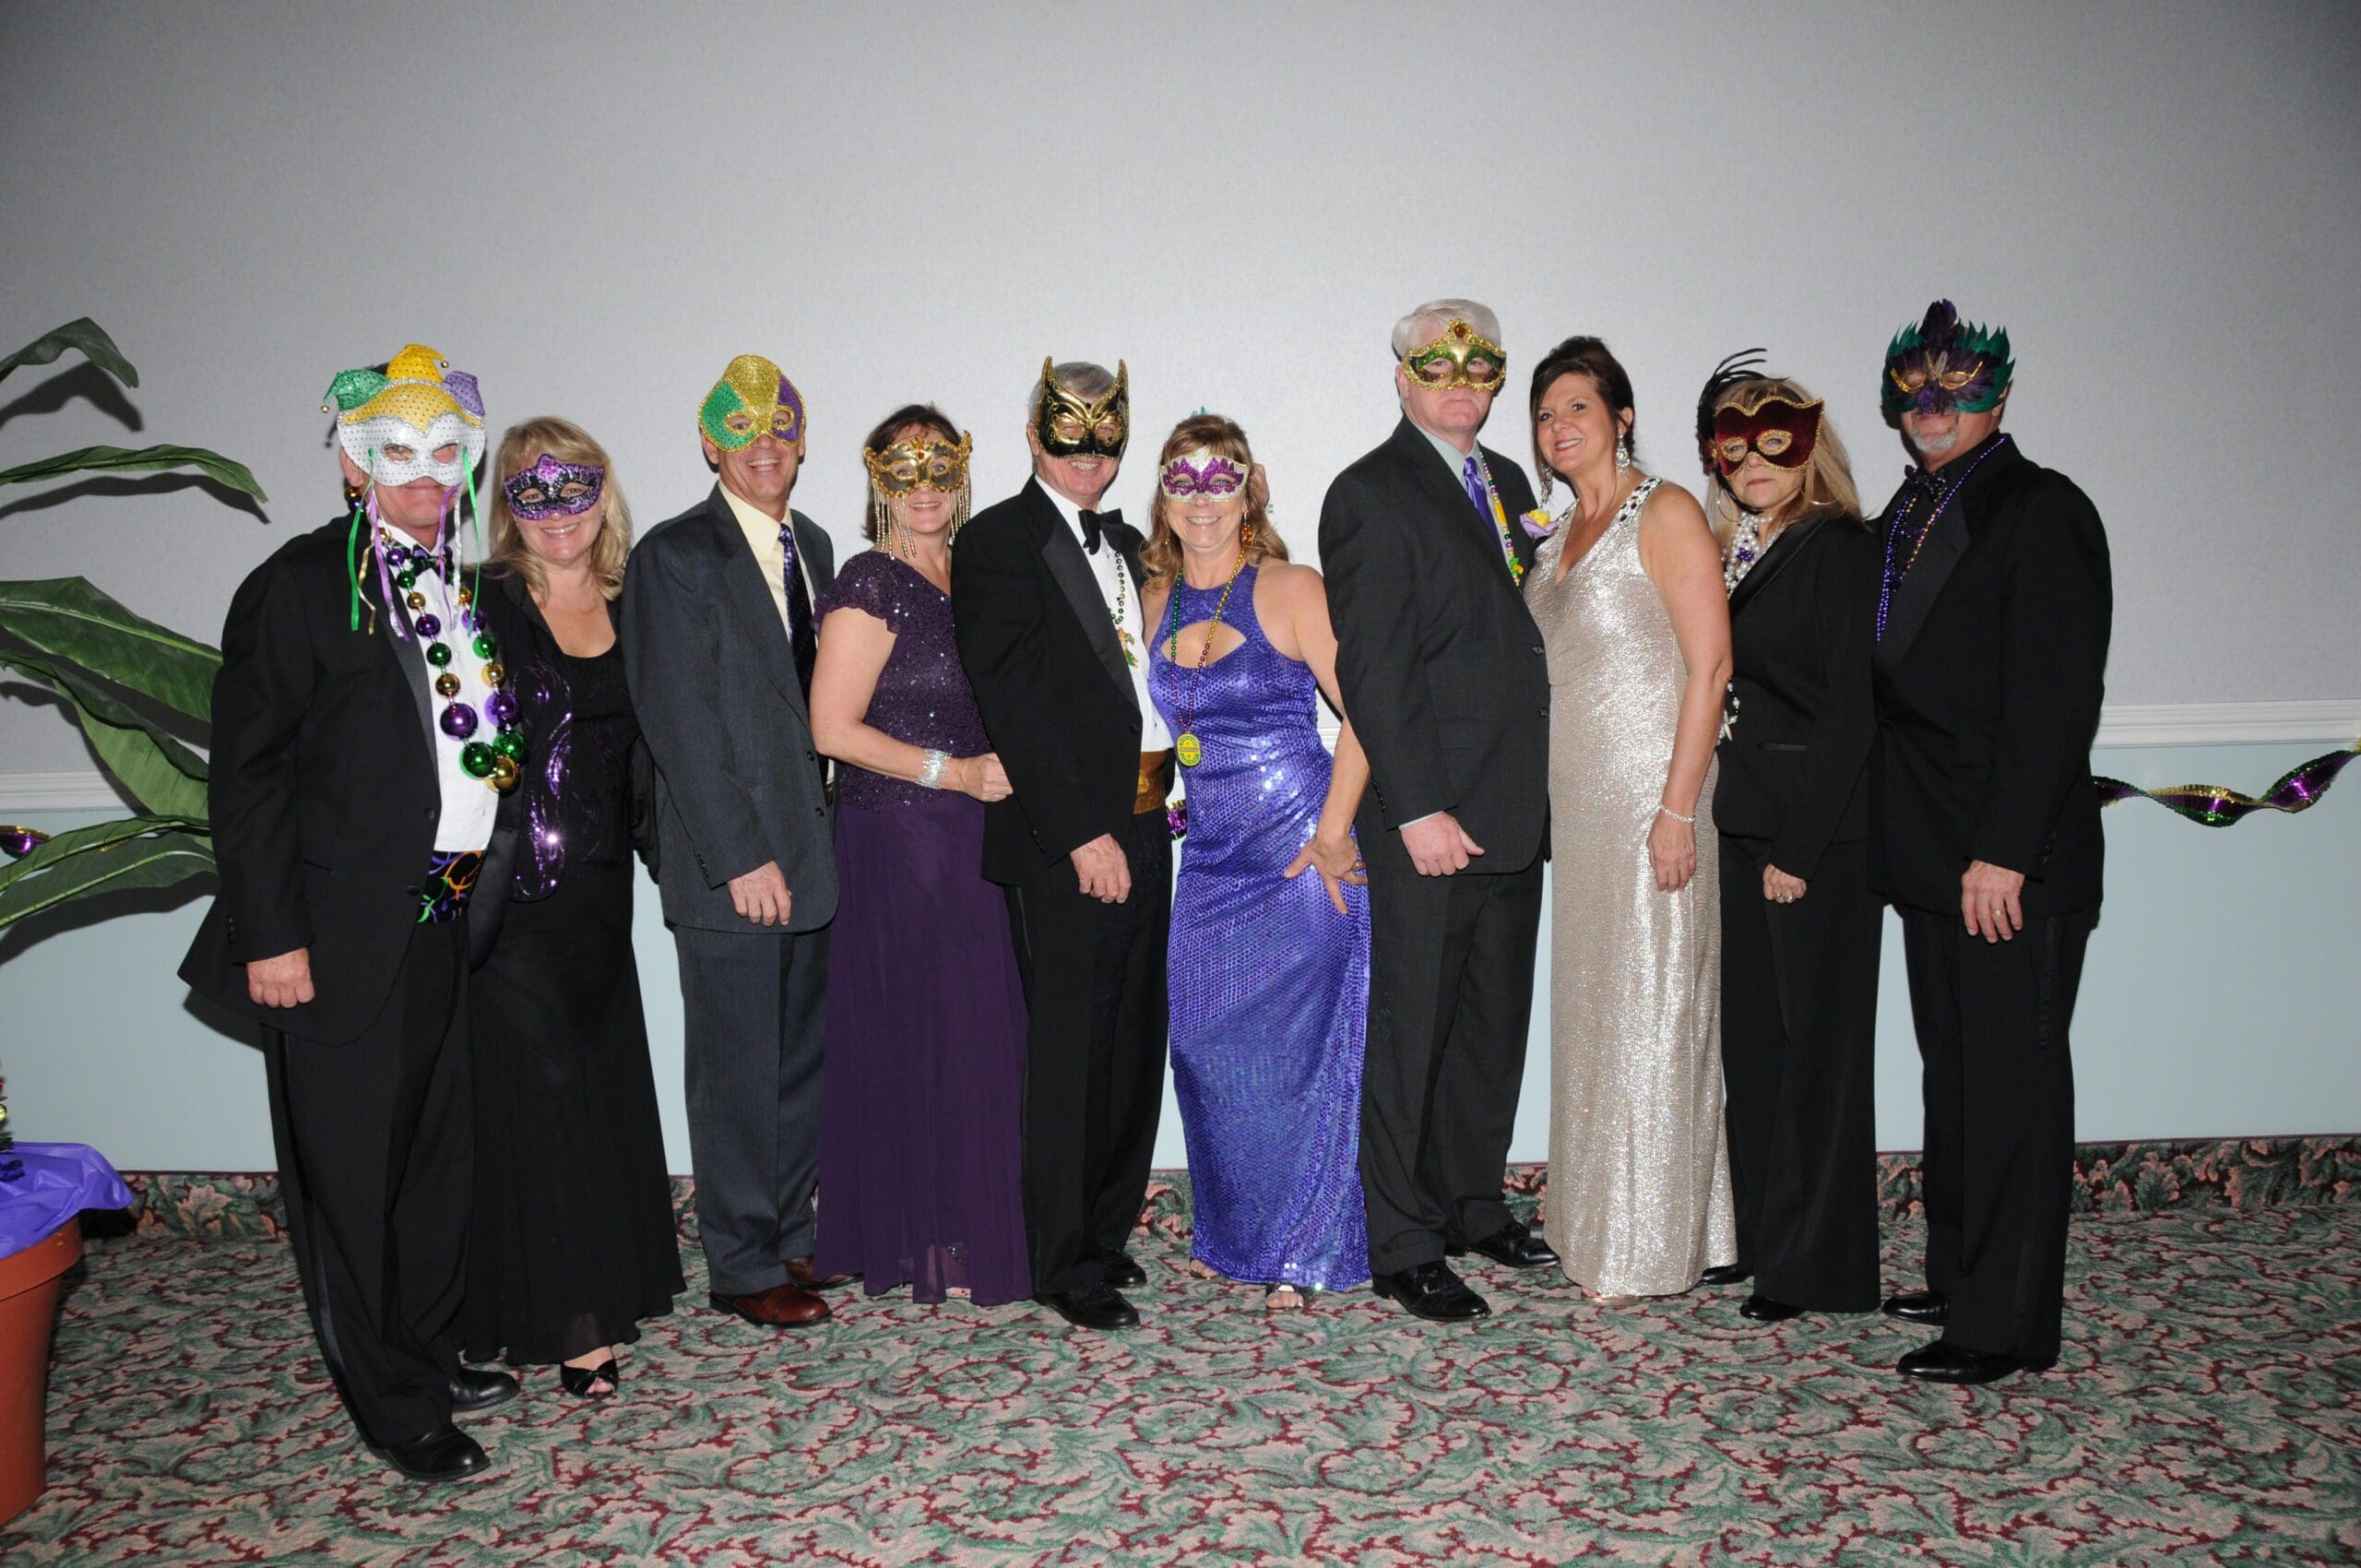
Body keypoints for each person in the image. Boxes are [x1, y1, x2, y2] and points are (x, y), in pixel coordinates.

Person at [181, 344, 525, 1481]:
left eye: (444, 454)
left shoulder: (463, 585)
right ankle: (392, 1403)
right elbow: (249, 775)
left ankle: (426, 1349)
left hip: (443, 918)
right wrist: (273, 933)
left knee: (432, 1159)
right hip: (332, 938)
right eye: (398, 454)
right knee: (351, 1180)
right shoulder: (296, 585)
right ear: (353, 463)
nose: (425, 475)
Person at [1869, 300, 2111, 1384]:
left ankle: (2002, 1325)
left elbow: (2054, 702)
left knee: (2011, 1084)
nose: (1932, 405)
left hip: (2009, 862)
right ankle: (1959, 1271)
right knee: (1956, 1075)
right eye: (1915, 387)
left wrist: (2004, 850)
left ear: (1997, 395)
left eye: (1956, 386)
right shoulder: (1907, 507)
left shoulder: (2042, 509)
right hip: (1928, 848)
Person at [1319, 301, 1555, 1323]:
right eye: (1437, 364)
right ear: (1402, 377)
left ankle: (1470, 1203)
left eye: (1480, 365)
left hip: (1513, 802)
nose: (1461, 382)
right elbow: (1374, 669)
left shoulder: (1507, 483)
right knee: (1411, 1033)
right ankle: (1402, 1239)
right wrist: (1414, 806)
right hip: (1428, 815)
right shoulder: (1368, 491)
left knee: (1490, 1025)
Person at [460, 419, 683, 1397]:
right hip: (506, 899)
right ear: (508, 506)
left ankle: (585, 1282)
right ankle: (574, 1321)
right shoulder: (482, 599)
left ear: (603, 492)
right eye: (531, 491)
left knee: (590, 1095)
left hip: (599, 893)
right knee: (542, 1094)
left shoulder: (632, 601)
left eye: (573, 488)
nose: (557, 511)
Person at [621, 354, 845, 1331]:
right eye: (741, 430)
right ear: (710, 444)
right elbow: (678, 719)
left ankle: (789, 1231)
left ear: (801, 442)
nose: (764, 446)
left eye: (781, 429)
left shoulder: (816, 546)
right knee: (737, 1073)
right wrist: (738, 854)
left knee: (797, 1064)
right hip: (734, 866)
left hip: (815, 854)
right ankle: (743, 1263)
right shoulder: (673, 555)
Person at [953, 358, 1171, 1332]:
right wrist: (1082, 833)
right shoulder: (996, 540)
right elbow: (1015, 698)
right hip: (1067, 835)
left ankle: (1104, 1230)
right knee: (1072, 1046)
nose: (1090, 455)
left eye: (1106, 438)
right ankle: (1060, 1259)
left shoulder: (1127, 542)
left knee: (1131, 1038)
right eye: (1070, 436)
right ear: (1035, 436)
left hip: (1147, 818)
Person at [1138, 414, 1372, 1311]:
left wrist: (1336, 831)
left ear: (1251, 490)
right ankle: (1235, 1237)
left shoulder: (1290, 587)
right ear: (1164, 497)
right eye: (1183, 480)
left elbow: (1368, 711)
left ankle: (1304, 1250)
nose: (1202, 499)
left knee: (1299, 1056)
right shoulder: (1154, 601)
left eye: (1220, 479)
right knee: (1203, 1048)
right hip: (1210, 859)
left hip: (1299, 849)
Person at [1524, 334, 1738, 1303]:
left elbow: (1711, 665)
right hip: (1579, 812)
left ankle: (1645, 1244)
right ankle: (1594, 1223)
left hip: (1655, 801)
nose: (1559, 425)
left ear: (1622, 416)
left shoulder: (1667, 510)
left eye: (1577, 405)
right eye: (1544, 413)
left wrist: (1677, 807)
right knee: (1595, 1016)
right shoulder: (1558, 535)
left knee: (1654, 1014)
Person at [807, 405, 1030, 1307]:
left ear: (963, 474)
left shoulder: (970, 571)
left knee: (974, 1034)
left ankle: (966, 1224)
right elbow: (830, 728)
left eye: (941, 467)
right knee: (926, 1031)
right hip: (900, 834)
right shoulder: (871, 580)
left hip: (972, 830)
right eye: (905, 470)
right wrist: (954, 772)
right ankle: (925, 1237)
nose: (925, 486)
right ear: (878, 481)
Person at [1694, 360, 1882, 1324]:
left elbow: (1852, 709)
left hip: (1816, 838)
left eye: (1775, 441)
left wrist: (1800, 850)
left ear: (1811, 445)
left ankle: (1823, 1267)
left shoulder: (1841, 545)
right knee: (1759, 1049)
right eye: (1734, 448)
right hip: (1747, 824)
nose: (1753, 462)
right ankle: (1770, 1245)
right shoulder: (1740, 546)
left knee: (1819, 1056)